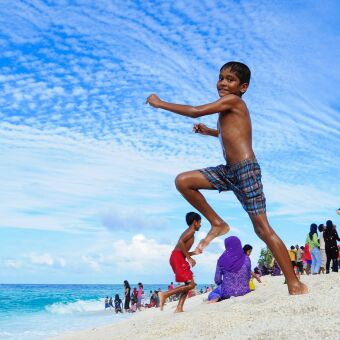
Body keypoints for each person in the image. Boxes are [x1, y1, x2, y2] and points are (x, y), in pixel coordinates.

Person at [146, 61, 307, 295]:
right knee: (183, 181)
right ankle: (217, 223)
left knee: (262, 229)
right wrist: (209, 132)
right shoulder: (226, 108)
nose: (222, 82)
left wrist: (159, 103)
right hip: (228, 171)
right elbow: (230, 134)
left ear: (243, 87)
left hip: (245, 171)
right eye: (221, 77)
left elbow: (195, 110)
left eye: (229, 79)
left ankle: (294, 283)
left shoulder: (234, 101)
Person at [157, 212, 201, 312]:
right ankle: (165, 294)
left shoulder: (189, 232)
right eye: (199, 222)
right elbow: (180, 242)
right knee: (191, 284)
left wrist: (194, 253)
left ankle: (179, 308)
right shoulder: (191, 231)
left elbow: (181, 250)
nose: (200, 225)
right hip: (178, 258)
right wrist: (189, 259)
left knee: (188, 284)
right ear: (195, 222)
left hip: (177, 257)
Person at [210, 236, 252, 301]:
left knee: (213, 293)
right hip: (245, 291)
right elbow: (248, 276)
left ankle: (215, 298)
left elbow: (217, 280)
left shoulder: (221, 260)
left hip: (227, 292)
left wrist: (226, 284)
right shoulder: (247, 258)